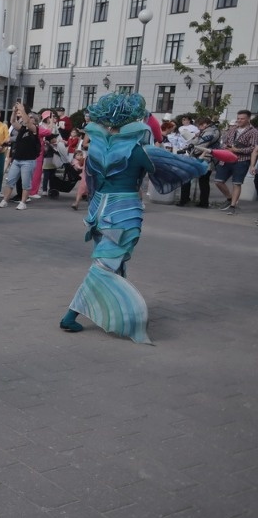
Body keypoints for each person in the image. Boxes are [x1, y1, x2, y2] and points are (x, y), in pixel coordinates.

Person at [59, 93, 207, 343]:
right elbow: (174, 166)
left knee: (112, 262)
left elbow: (92, 181)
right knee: (105, 266)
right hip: (124, 213)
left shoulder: (94, 146)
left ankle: (119, 310)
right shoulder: (138, 150)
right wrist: (200, 164)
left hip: (98, 211)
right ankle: (70, 316)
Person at [213, 110, 258, 216]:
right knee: (218, 181)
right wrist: (226, 147)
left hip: (241, 160)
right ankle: (229, 198)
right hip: (227, 158)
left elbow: (253, 148)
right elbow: (224, 142)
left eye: (242, 118)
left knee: (237, 183)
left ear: (248, 119)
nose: (239, 120)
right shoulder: (232, 129)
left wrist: (237, 150)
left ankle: (233, 206)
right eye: (238, 118)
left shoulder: (253, 132)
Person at [0, 103, 39, 210]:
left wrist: (23, 110)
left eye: (31, 118)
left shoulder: (35, 130)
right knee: (10, 181)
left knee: (26, 183)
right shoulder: (22, 129)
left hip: (28, 161)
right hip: (17, 160)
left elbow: (27, 122)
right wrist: (14, 112)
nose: (29, 119)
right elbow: (12, 122)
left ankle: (23, 202)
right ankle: (5, 200)